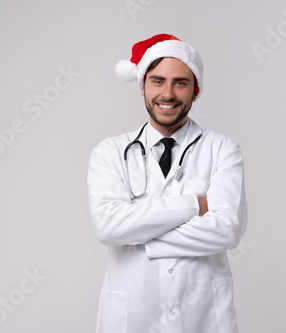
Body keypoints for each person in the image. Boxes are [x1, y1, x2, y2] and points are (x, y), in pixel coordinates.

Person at [87, 33, 247, 333]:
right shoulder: (109, 152)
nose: (168, 94)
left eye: (180, 83)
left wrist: (139, 234)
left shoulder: (222, 149)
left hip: (203, 317)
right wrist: (193, 204)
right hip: (132, 317)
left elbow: (226, 229)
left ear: (195, 90)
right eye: (158, 81)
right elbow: (108, 227)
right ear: (143, 86)